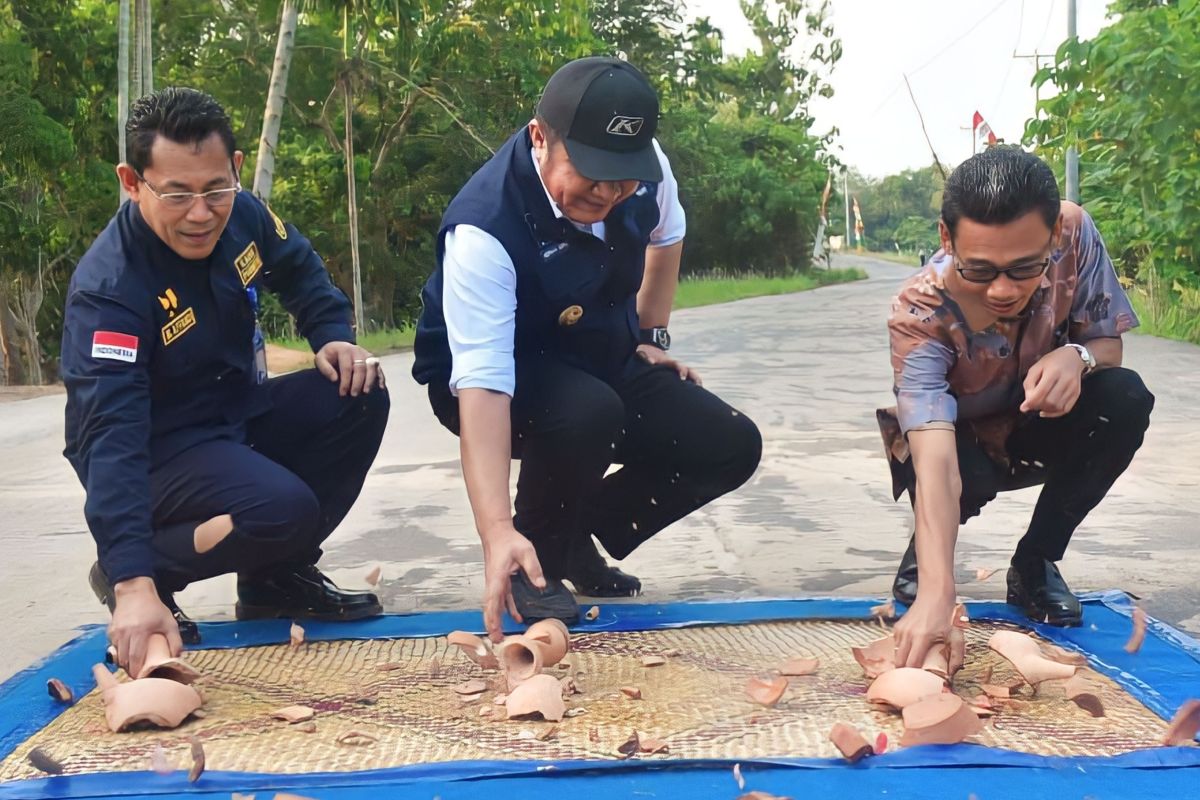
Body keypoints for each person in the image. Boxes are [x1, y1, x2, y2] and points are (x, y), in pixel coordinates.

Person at [412, 57, 762, 640]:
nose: (607, 192)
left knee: (728, 442)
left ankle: (578, 530)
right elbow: (484, 385)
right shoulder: (483, 230)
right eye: (590, 172)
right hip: (501, 378)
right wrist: (496, 530)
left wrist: (650, 335)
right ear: (539, 138)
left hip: (599, 355)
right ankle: (534, 562)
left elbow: (666, 237)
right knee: (586, 411)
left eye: (621, 177)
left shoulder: (646, 172)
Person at [62, 88, 390, 678]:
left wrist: (331, 335)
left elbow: (301, 266)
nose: (200, 212)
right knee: (280, 510)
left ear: (236, 169)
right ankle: (139, 573)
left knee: (358, 389)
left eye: (215, 188)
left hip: (235, 416)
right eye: (177, 193)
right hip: (158, 453)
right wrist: (134, 580)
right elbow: (113, 439)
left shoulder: (242, 213)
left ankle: (273, 581)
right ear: (133, 182)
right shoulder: (111, 291)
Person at [877, 146, 1153, 668]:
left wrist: (1078, 356)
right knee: (946, 473)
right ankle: (927, 559)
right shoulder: (919, 310)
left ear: (1052, 236)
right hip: (961, 443)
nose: (1003, 290)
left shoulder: (1074, 233)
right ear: (946, 239)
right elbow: (934, 457)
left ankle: (1035, 563)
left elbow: (1108, 348)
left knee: (1124, 398)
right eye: (980, 270)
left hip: (1037, 422)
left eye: (1024, 268)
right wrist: (940, 591)